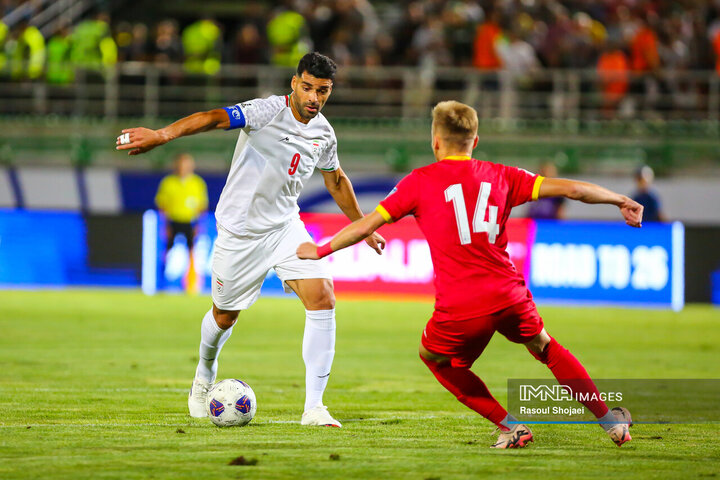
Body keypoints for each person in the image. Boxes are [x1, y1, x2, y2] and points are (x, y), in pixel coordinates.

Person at [297, 100, 642, 447]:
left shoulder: (418, 182)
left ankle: (510, 426)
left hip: (461, 304)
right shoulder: (503, 175)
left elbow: (366, 224)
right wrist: (619, 199)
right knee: (544, 346)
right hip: (510, 294)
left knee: (435, 358)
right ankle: (610, 422)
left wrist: (321, 249)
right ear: (475, 141)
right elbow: (573, 189)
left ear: (435, 140)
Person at [117, 52, 385, 427]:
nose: (313, 98)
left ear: (329, 91)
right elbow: (213, 118)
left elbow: (335, 180)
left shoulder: (323, 133)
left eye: (322, 91)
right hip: (239, 233)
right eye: (307, 87)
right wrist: (163, 135)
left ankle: (314, 407)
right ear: (294, 83)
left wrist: (364, 224)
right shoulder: (266, 111)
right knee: (224, 316)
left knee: (323, 295)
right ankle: (203, 376)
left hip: (284, 228)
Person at [154, 153, 208, 254]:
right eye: (181, 164)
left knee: (192, 250)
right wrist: (164, 225)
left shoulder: (198, 183)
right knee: (167, 250)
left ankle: (191, 270)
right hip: (173, 221)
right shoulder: (168, 182)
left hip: (190, 222)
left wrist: (199, 224)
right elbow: (162, 205)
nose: (183, 168)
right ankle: (164, 268)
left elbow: (202, 206)